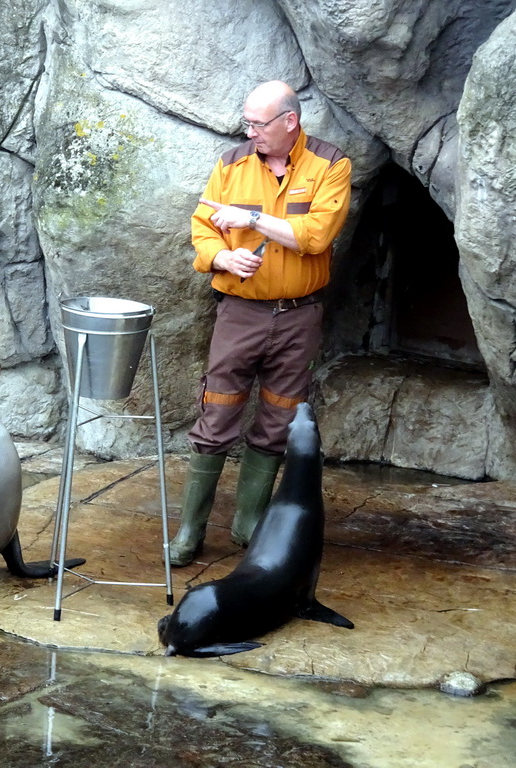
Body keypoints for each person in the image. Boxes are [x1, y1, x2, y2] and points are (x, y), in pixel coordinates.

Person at [168, 80, 352, 567]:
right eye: (246, 123)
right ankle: (190, 532)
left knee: (279, 418)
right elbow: (202, 226)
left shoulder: (332, 165)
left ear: (289, 122)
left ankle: (248, 524)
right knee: (217, 412)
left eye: (258, 124)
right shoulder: (231, 164)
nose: (249, 133)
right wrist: (223, 258)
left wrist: (250, 216)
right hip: (240, 312)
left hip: (299, 315)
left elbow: (314, 236)